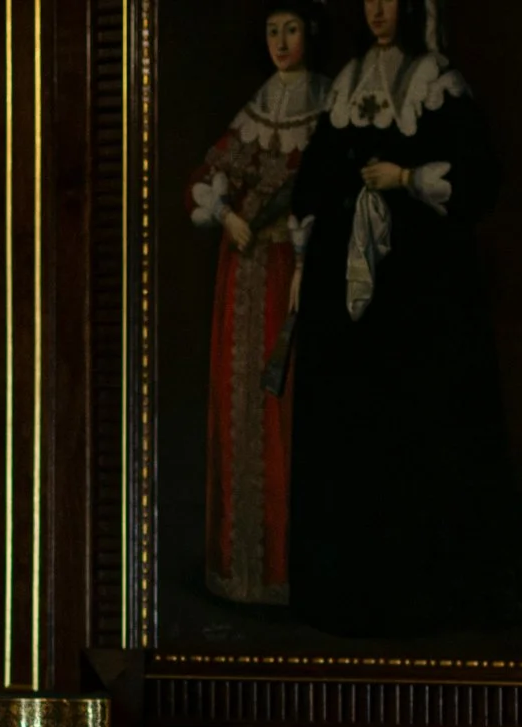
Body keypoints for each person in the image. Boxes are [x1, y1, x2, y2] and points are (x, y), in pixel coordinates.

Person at [285, 0, 522, 638]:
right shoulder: (346, 82)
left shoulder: (437, 80)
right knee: (351, 429)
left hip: (422, 294)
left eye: (389, 0)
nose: (377, 12)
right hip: (350, 300)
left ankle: (424, 598)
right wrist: (326, 218)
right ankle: (348, 594)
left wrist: (407, 176)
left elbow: (480, 178)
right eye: (368, 1)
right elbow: (314, 175)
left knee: (419, 426)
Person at [187, 2, 331, 606]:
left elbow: (326, 190)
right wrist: (226, 216)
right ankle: (238, 569)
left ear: (310, 33)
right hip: (242, 275)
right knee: (238, 401)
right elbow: (206, 176)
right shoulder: (256, 104)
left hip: (293, 272)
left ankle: (287, 574)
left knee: (289, 409)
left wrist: (301, 253)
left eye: (291, 29)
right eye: (272, 30)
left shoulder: (330, 101)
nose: (280, 41)